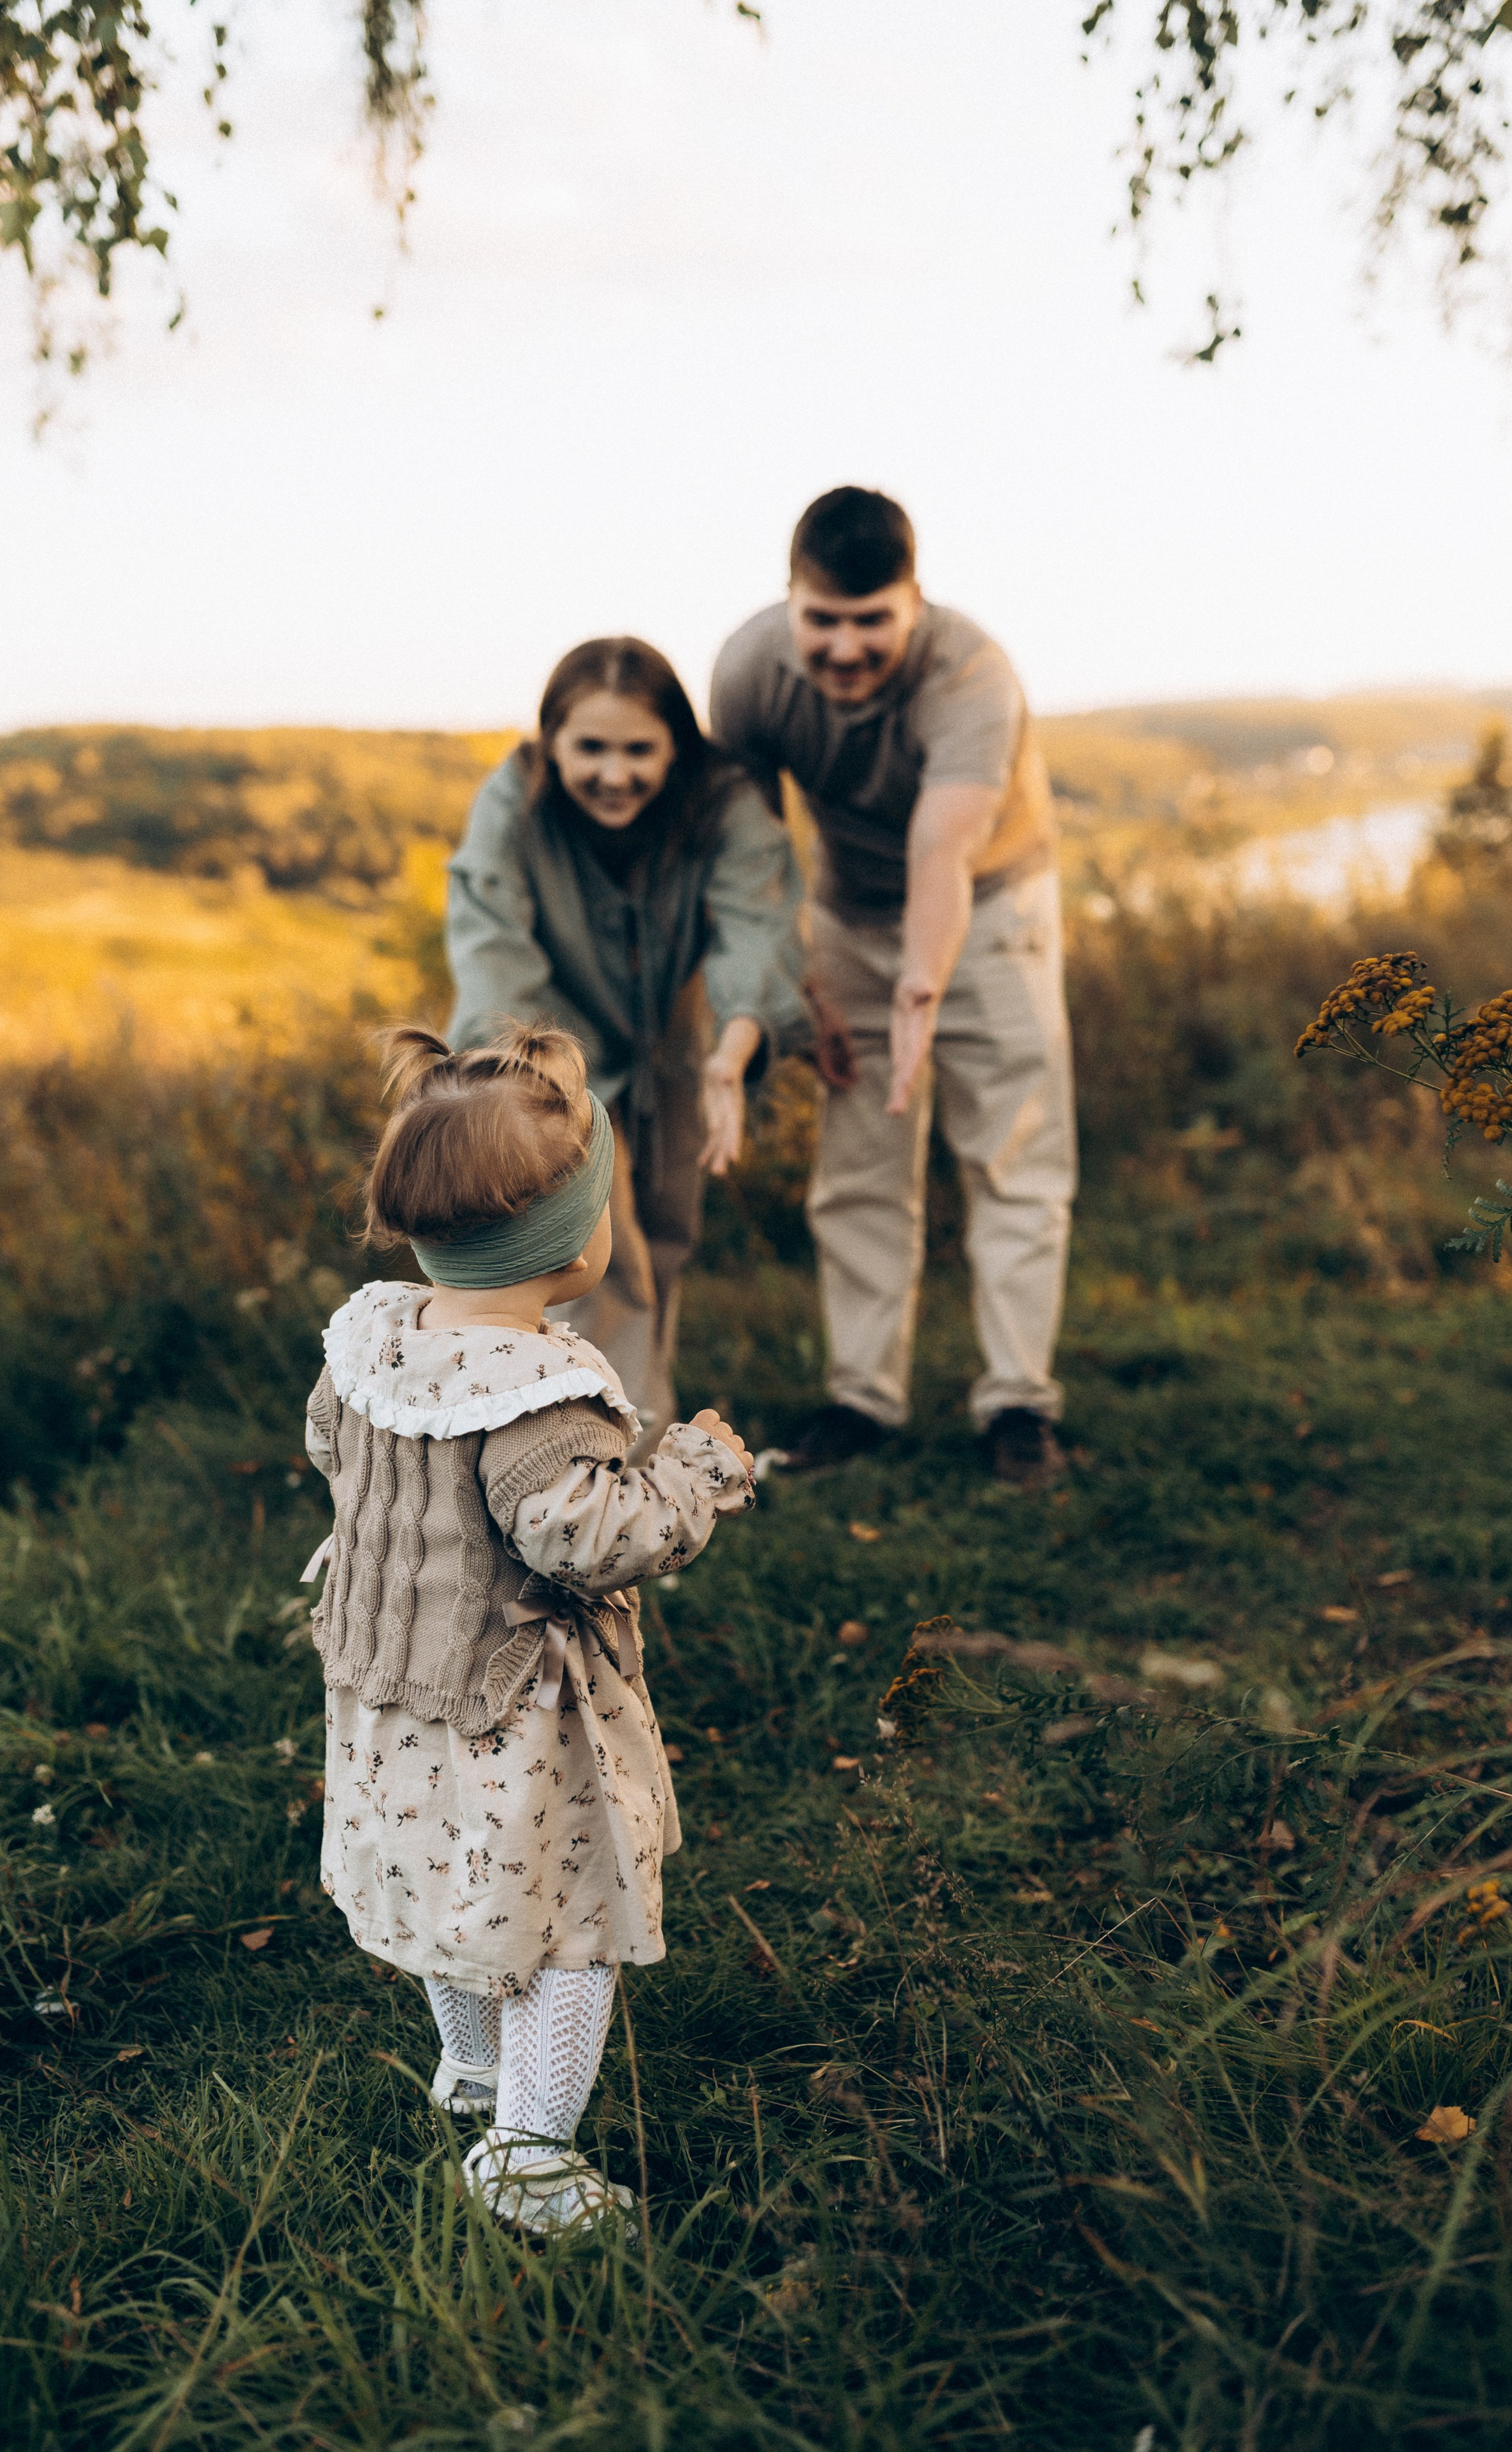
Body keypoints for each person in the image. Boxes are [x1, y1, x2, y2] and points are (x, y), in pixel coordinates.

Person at [301, 1021, 754, 2239]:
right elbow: (591, 1539)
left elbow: (333, 1451)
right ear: (572, 1244)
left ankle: (473, 2074)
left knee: (450, 1888)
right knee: (563, 1922)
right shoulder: (533, 1400)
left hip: (391, 1688)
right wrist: (698, 1470)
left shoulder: (377, 1346)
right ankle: (530, 2152)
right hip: (517, 1712)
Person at [710, 487, 1075, 1490]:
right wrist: (813, 993)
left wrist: (920, 996)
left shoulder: (969, 672)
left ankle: (1017, 1404)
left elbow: (942, 850)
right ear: (792, 602)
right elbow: (752, 854)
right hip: (844, 914)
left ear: (914, 602)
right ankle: (862, 1399)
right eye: (823, 620)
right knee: (860, 1169)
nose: (844, 646)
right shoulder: (747, 673)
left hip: (993, 908)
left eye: (872, 621)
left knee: (1014, 1160)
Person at [446, 637, 809, 1455]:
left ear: (677, 744)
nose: (616, 773)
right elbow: (491, 946)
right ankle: (596, 1469)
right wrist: (537, 1091)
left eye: (639, 748)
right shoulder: (513, 801)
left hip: (675, 1042)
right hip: (544, 1049)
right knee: (596, 1261)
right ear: (552, 743)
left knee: (665, 1237)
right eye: (592, 748)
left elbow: (758, 924)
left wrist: (736, 1043)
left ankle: (621, 1434)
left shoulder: (725, 800)